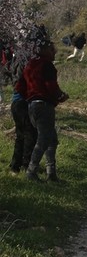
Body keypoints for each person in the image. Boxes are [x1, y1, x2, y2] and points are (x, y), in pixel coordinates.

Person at [18, 37, 69, 181]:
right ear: (45, 51)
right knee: (43, 140)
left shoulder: (29, 64)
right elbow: (51, 87)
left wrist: (29, 97)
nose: (55, 53)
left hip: (32, 105)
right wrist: (61, 96)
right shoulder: (47, 65)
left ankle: (51, 173)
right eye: (53, 50)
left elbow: (20, 87)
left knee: (51, 140)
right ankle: (31, 171)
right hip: (44, 106)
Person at [8, 44, 37, 174]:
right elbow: (23, 83)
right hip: (22, 102)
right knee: (29, 133)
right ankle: (26, 165)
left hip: (17, 101)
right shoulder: (23, 63)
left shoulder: (16, 61)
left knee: (21, 135)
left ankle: (16, 165)